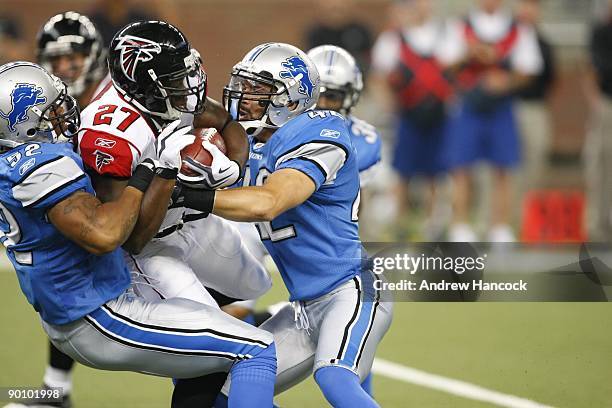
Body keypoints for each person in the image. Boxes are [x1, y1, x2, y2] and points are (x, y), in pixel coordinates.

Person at [0, 61, 276, 408]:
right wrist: (152, 167)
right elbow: (105, 234)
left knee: (208, 366)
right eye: (50, 111)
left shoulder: (15, 163)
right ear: (23, 123)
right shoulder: (39, 165)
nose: (64, 112)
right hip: (98, 315)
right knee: (256, 349)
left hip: (83, 308)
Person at [182, 42, 392, 407]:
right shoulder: (252, 143)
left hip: (350, 289)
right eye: (243, 85)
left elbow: (269, 202)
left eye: (258, 90)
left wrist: (190, 195)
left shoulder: (320, 132)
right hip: (303, 307)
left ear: (291, 99)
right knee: (224, 395)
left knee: (335, 376)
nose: (243, 97)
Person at [307, 44, 381, 397]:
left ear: (350, 97)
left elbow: (354, 208)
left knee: (341, 360)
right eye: (318, 94)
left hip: (325, 253)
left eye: (332, 96)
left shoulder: (361, 140)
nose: (323, 105)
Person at [438, 0, 543, 241]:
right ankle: (460, 224)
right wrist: (469, 54)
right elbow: (444, 64)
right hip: (468, 105)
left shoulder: (518, 28)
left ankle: (500, 226)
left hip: (501, 107)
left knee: (503, 166)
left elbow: (530, 69)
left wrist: (506, 81)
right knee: (460, 166)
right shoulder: (460, 25)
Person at [370, 0, 453, 240]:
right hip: (408, 113)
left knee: (435, 171)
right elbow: (379, 76)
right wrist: (388, 103)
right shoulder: (393, 39)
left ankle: (432, 223)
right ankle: (400, 222)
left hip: (437, 114)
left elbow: (455, 70)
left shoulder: (444, 34)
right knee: (402, 170)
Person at [584, 0, 612, 242]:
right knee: (600, 164)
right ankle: (598, 228)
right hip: (606, 103)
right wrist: (595, 102)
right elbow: (592, 69)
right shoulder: (600, 32)